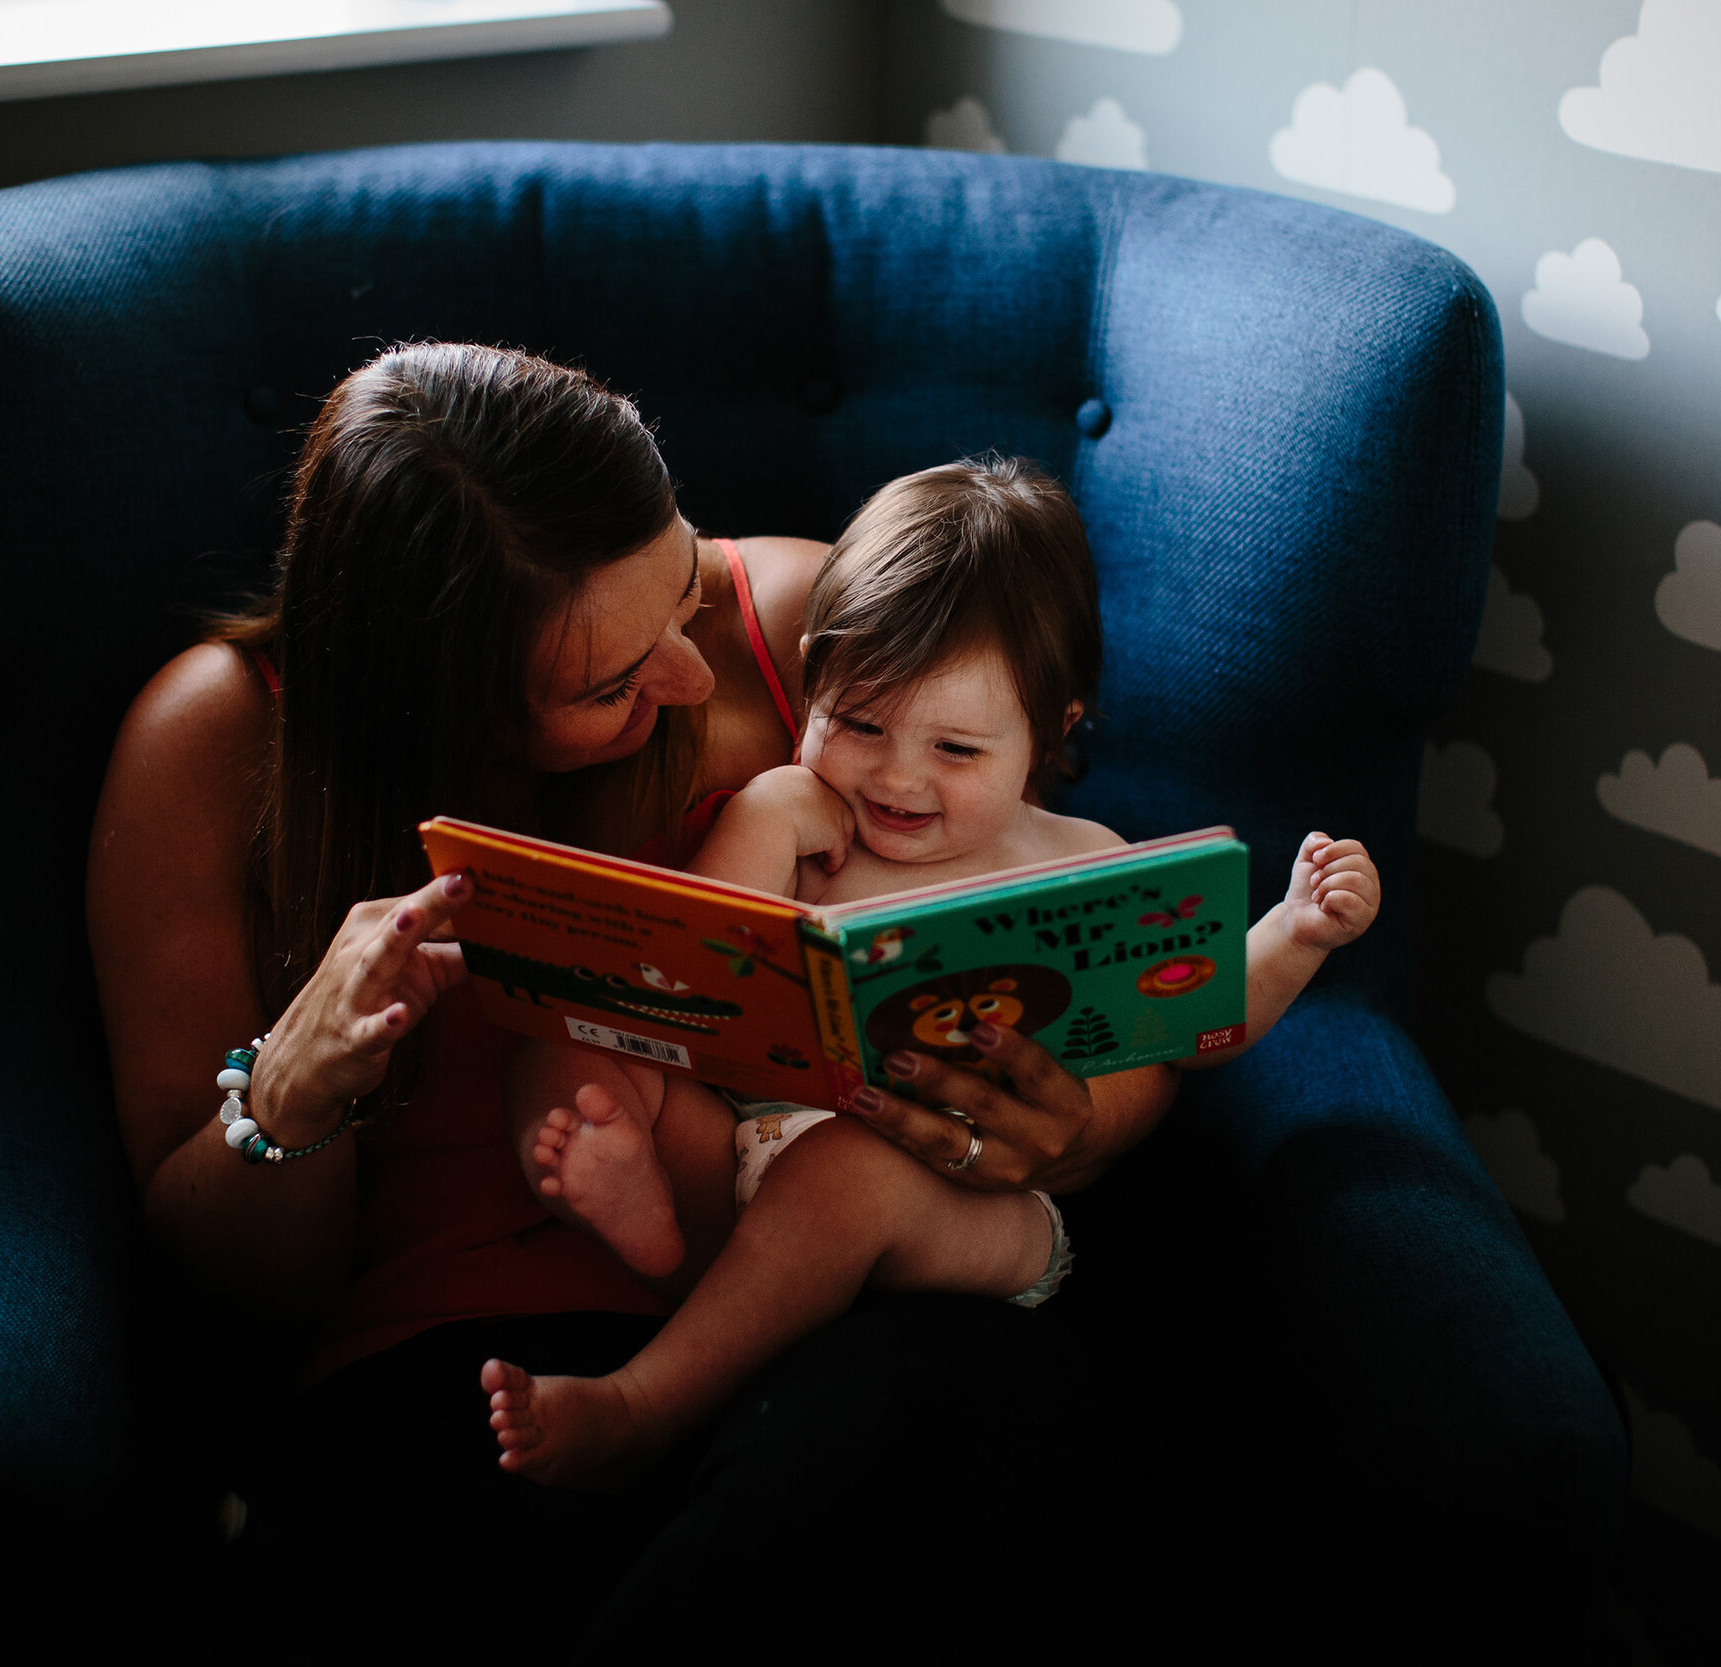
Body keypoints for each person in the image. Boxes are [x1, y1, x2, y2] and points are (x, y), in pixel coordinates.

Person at [85, 343, 1176, 1654]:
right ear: (445, 703)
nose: (687, 671)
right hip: (457, 1362)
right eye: (610, 683)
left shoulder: (793, 625)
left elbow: (1074, 916)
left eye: (677, 584)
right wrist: (295, 1085)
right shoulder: (211, 750)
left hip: (824, 1294)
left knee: (975, 1405)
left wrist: (1082, 1118)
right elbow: (223, 1289)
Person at [488, 456, 1382, 1486]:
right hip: (737, 1170)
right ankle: (646, 1220)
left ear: (1051, 732)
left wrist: (1293, 934)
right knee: (578, 1041)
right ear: (813, 676)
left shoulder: (1084, 862)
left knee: (845, 1175)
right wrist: (764, 816)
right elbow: (690, 974)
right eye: (858, 723)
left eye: (956, 749)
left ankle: (641, 1403)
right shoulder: (802, 821)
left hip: (954, 1208)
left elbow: (1198, 1014)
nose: (897, 775)